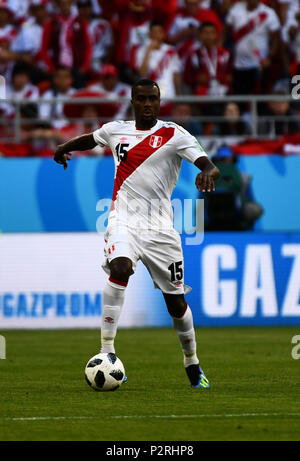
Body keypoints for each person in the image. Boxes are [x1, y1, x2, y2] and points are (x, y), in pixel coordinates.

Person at [53, 78, 220, 388]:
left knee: (176, 304)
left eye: (152, 99)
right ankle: (107, 352)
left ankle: (192, 362)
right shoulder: (116, 129)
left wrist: (207, 173)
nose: (147, 104)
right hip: (123, 220)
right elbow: (92, 138)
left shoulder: (174, 134)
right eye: (141, 98)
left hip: (161, 231)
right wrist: (65, 146)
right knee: (120, 268)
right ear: (132, 101)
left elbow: (208, 164)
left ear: (159, 102)